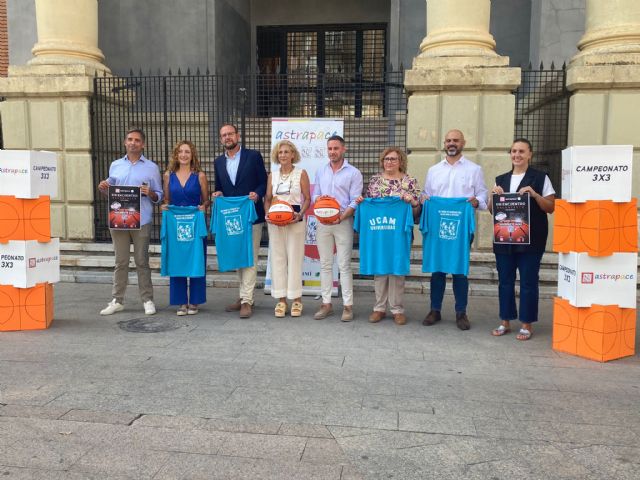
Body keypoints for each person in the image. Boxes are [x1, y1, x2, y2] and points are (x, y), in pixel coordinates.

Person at [421, 129, 488, 330]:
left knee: (460, 272)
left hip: (461, 229)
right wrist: (424, 199)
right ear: (444, 143)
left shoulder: (474, 169)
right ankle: (435, 310)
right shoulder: (434, 170)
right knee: (438, 270)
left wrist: (477, 202)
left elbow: (483, 197)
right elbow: (426, 195)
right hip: (437, 228)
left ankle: (461, 312)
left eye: (456, 140)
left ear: (463, 143)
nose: (452, 143)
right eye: (449, 140)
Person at [489, 138, 555, 341]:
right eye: (513, 151)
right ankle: (505, 321)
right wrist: (493, 197)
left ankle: (527, 323)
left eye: (521, 151)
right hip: (504, 239)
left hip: (531, 240)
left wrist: (535, 195)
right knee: (505, 281)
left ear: (530, 154)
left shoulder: (541, 177)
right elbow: (492, 210)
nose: (517, 155)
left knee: (528, 281)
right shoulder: (500, 179)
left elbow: (551, 207)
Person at [97, 127, 163, 316]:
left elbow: (159, 195)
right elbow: (110, 190)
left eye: (137, 140)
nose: (133, 142)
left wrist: (150, 193)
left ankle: (147, 299)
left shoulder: (151, 167)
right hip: (119, 219)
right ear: (125, 142)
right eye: (130, 139)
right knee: (121, 261)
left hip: (141, 219)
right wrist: (103, 187)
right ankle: (117, 300)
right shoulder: (115, 165)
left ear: (143, 144)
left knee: (142, 261)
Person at [355, 147, 421, 325]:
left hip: (399, 232)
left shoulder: (409, 181)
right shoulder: (375, 181)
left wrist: (412, 201)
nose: (389, 162)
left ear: (401, 161)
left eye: (393, 159)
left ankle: (397, 309)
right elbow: (370, 203)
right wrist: (362, 202)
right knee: (380, 269)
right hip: (379, 233)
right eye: (386, 159)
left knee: (397, 270)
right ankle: (379, 308)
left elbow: (417, 210)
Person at [212, 124, 268, 318]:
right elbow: (220, 187)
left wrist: (258, 194)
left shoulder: (253, 156)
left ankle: (246, 300)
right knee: (237, 256)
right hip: (231, 217)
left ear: (238, 135)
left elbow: (264, 182)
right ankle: (243, 295)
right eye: (224, 135)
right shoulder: (218, 162)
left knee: (250, 257)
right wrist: (218, 193)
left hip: (251, 215)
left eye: (230, 134)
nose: (227, 137)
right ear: (221, 139)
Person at [312, 135, 363, 322]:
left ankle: (348, 306)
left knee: (344, 265)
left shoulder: (354, 173)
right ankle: (326, 304)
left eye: (335, 148)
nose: (332, 152)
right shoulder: (321, 171)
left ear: (343, 149)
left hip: (343, 222)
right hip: (323, 223)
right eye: (329, 149)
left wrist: (340, 216)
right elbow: (315, 194)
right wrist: (322, 202)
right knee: (325, 264)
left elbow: (355, 201)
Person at [161, 141, 210, 316]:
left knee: (197, 260)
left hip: (195, 225)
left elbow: (206, 200)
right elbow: (167, 200)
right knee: (177, 260)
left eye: (187, 152)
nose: (183, 155)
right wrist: (165, 207)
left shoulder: (200, 176)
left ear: (192, 155)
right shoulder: (168, 175)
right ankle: (181, 301)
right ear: (176, 155)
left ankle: (195, 301)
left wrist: (204, 207)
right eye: (180, 152)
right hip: (176, 226)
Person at [263, 140, 311, 317]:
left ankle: (297, 299)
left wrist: (300, 215)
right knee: (278, 260)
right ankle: (281, 300)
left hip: (295, 220)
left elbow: (307, 198)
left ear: (293, 155)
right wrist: (268, 214)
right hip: (275, 222)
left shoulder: (301, 173)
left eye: (286, 152)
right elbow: (267, 198)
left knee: (295, 259)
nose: (283, 155)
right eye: (280, 152)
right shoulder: (272, 176)